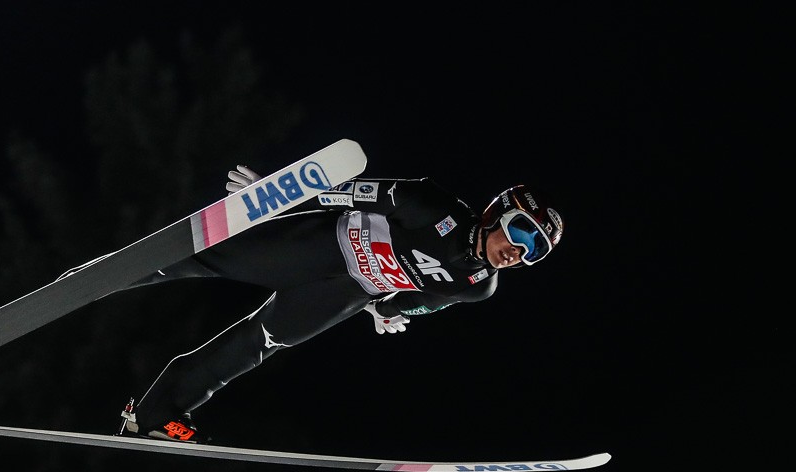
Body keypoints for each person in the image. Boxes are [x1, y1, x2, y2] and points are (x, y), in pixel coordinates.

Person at [117, 165, 565, 442]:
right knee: (208, 259)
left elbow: (428, 301)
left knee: (262, 342)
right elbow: (349, 192)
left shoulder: (477, 285)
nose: (519, 251)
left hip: (346, 292)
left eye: (535, 251)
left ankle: (156, 414)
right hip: (323, 246)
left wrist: (387, 311)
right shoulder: (430, 205)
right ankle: (103, 278)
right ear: (496, 213)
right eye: (520, 232)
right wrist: (274, 195)